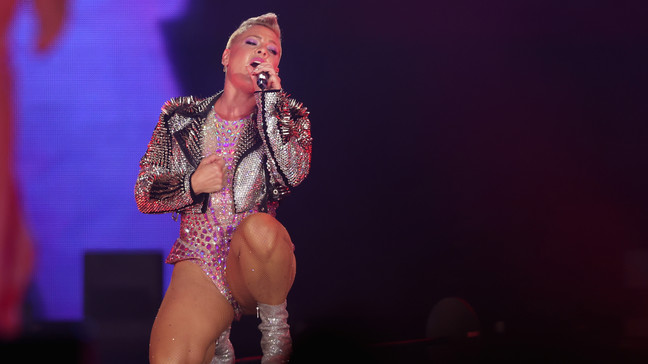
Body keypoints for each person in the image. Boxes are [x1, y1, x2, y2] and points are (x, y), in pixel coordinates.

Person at [135, 13, 312, 364]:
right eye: (253, 43)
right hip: (200, 259)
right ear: (227, 56)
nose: (263, 52)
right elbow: (145, 192)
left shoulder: (287, 115)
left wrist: (272, 102)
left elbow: (291, 173)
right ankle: (217, 339)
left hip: (255, 259)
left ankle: (276, 335)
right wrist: (191, 184)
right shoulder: (181, 118)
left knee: (260, 229)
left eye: (273, 51)